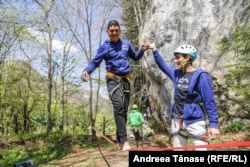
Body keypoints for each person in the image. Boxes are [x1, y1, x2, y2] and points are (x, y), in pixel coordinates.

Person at [80, 20, 149, 151]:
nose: (114, 33)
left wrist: (142, 50)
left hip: (126, 80)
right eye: (111, 31)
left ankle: (119, 139)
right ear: (108, 32)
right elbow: (95, 61)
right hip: (112, 79)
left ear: (120, 31)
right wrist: (86, 71)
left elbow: (135, 57)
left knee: (123, 110)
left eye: (116, 30)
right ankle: (124, 141)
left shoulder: (126, 44)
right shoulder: (105, 47)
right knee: (118, 106)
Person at [148, 42, 220, 150]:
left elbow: (209, 102)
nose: (175, 61)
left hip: (195, 120)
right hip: (177, 120)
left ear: (187, 58)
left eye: (178, 58)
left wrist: (213, 125)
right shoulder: (177, 74)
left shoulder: (202, 76)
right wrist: (154, 50)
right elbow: (163, 66)